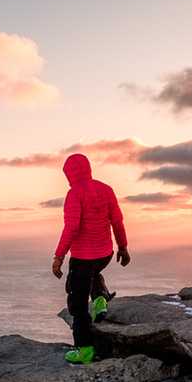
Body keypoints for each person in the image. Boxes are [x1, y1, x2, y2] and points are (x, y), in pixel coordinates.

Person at [49, 151, 128, 365]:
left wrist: (58, 256)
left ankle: (84, 350)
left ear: (69, 174)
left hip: (83, 257)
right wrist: (123, 247)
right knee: (94, 272)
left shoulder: (74, 194)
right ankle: (101, 299)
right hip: (105, 254)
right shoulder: (106, 189)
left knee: (78, 304)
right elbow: (117, 222)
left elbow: (72, 227)